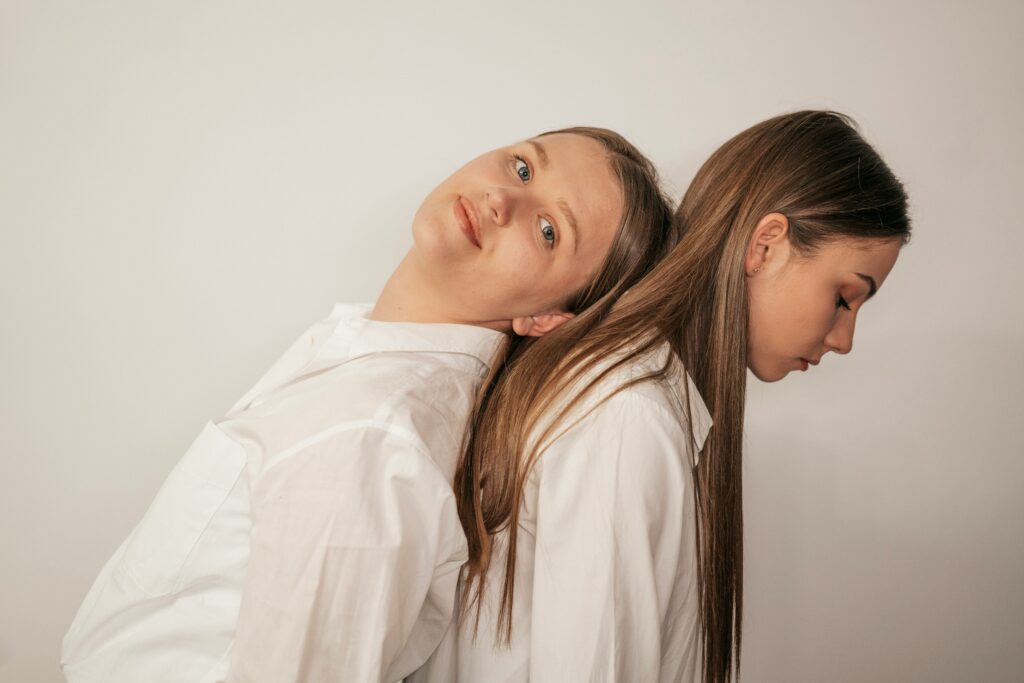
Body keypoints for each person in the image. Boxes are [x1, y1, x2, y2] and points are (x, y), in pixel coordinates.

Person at [60, 126, 677, 682]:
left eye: (549, 232)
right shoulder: (368, 373)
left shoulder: (374, 436)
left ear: (545, 317)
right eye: (522, 167)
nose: (502, 199)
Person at [411, 110, 912, 683]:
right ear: (766, 245)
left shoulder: (629, 393)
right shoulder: (628, 414)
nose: (844, 340)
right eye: (846, 298)